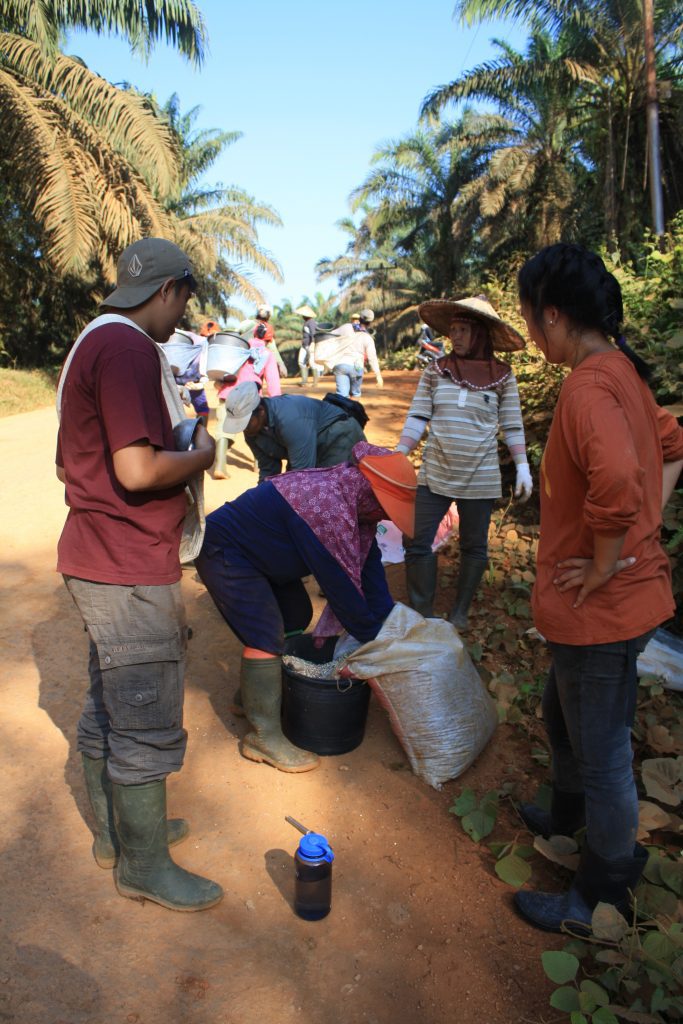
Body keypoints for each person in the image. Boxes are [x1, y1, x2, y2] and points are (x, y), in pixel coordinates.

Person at [510, 243, 683, 933]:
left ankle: (601, 892)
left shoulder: (588, 385)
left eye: (527, 318)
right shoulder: (618, 373)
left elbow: (615, 482)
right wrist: (643, 526)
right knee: (562, 713)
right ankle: (565, 816)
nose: (526, 333)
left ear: (552, 315)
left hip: (602, 606)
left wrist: (611, 555)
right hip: (610, 600)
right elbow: (672, 447)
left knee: (604, 750)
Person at [55, 237, 223, 912]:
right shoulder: (126, 348)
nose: (181, 316)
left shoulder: (93, 341)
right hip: (125, 567)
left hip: (97, 557)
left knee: (111, 700)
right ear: (167, 290)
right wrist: (203, 453)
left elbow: (81, 463)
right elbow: (135, 470)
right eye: (183, 300)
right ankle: (144, 865)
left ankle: (116, 835)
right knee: (145, 714)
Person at [194, 442, 417, 772]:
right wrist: (376, 641)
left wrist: (387, 621)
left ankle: (251, 697)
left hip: (265, 559)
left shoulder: (356, 506)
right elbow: (341, 590)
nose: (386, 516)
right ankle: (263, 737)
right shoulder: (326, 509)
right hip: (226, 551)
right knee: (265, 635)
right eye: (385, 507)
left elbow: (369, 571)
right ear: (371, 494)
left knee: (296, 615)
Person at [397, 295, 533, 629]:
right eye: (452, 330)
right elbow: (418, 416)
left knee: (474, 546)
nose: (454, 336)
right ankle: (423, 612)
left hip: (481, 476)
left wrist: (523, 465)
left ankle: (459, 612)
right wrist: (398, 452)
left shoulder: (502, 376)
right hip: (435, 472)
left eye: (462, 330)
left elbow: (512, 424)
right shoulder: (436, 370)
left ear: (480, 334)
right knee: (416, 541)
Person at [220, 382, 366, 481]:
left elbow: (302, 474)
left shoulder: (290, 418)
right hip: (308, 446)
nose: (243, 428)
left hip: (338, 436)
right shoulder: (252, 431)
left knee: (331, 487)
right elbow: (268, 470)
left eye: (245, 422)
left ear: (261, 411)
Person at [211, 319, 282, 479]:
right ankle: (259, 464)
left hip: (227, 392)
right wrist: (276, 402)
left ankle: (220, 467)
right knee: (256, 430)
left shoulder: (238, 348)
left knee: (223, 429)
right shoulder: (267, 354)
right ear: (269, 340)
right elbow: (273, 383)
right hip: (251, 397)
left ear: (253, 333)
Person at [310, 315, 384, 399]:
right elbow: (372, 358)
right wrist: (378, 375)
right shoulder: (368, 337)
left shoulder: (346, 327)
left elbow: (329, 335)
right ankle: (353, 411)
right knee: (355, 394)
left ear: (359, 319)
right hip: (357, 367)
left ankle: (343, 411)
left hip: (340, 365)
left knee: (342, 396)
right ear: (369, 323)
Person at [295, 304, 319, 386]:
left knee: (312, 363)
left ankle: (315, 382)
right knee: (301, 361)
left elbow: (313, 334)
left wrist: (313, 343)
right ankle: (304, 381)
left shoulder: (311, 322)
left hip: (310, 344)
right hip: (305, 345)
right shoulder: (306, 322)